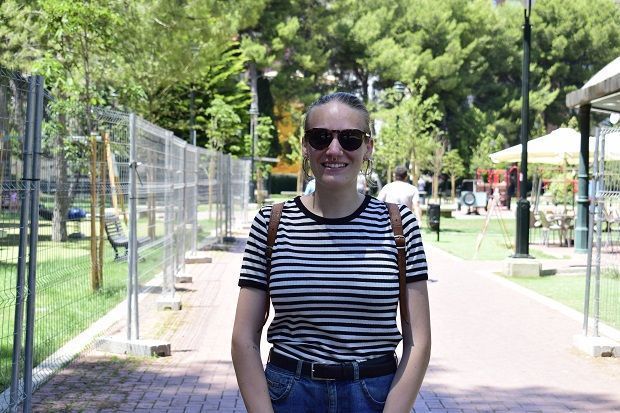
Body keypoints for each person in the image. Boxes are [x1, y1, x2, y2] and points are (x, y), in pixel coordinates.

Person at [232, 92, 431, 413]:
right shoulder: (271, 223)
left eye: (350, 138)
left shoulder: (398, 225)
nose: (334, 149)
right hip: (290, 395)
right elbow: (243, 337)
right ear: (305, 146)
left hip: (374, 395)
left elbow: (418, 341)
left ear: (368, 147)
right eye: (320, 137)